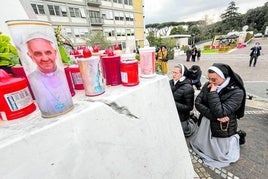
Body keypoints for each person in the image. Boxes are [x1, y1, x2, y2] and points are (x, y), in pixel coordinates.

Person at [190, 63, 247, 168]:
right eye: (209, 78)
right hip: (209, 121)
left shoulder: (237, 92)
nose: (210, 82)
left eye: (214, 79)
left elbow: (220, 112)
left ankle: (238, 137)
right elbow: (198, 103)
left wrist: (212, 93)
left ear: (224, 77)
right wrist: (214, 116)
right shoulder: (208, 84)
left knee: (218, 149)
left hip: (223, 126)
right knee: (203, 140)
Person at [25, 32, 73, 117]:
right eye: (38, 54)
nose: (45, 58)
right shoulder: (32, 79)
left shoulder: (63, 74)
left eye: (48, 52)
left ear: (55, 53)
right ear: (30, 56)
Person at [169, 64, 197, 137]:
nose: (173, 75)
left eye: (176, 73)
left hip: (182, 115)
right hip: (171, 112)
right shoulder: (170, 82)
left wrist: (173, 103)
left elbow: (189, 107)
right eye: (173, 72)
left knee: (186, 133)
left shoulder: (188, 88)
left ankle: (191, 122)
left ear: (182, 74)